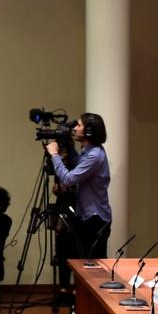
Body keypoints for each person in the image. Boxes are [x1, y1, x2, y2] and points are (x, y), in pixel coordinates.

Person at [45, 112, 112, 263]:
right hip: (88, 217)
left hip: (95, 219)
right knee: (83, 265)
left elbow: (69, 179)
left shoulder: (94, 156)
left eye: (79, 125)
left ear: (89, 131)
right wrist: (68, 144)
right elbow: (77, 163)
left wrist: (54, 154)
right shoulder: (90, 152)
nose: (75, 128)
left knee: (93, 267)